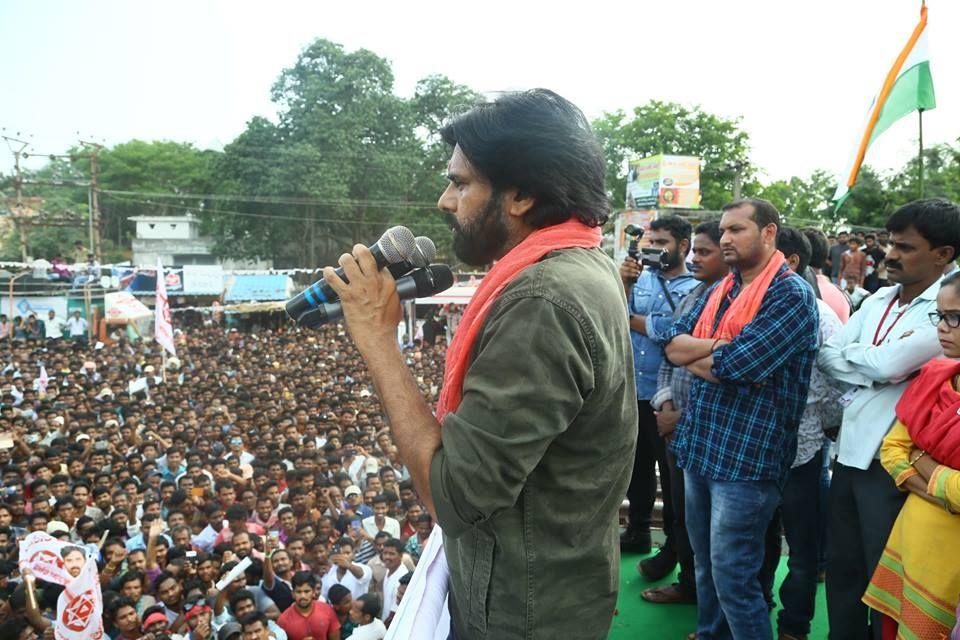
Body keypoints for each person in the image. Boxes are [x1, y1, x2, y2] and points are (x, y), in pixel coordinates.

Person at [321, 89, 636, 637]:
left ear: (520, 195)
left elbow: (454, 497)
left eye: (461, 183)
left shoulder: (543, 300)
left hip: (523, 611)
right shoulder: (583, 261)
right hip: (552, 586)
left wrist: (378, 341)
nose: (445, 200)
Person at [662, 198, 819, 638]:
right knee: (706, 566)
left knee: (735, 577)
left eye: (737, 230)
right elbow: (673, 345)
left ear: (769, 233)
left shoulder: (790, 295)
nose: (726, 239)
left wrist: (708, 349)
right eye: (724, 231)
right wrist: (717, 346)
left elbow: (739, 367)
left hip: (747, 460)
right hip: (701, 446)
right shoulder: (721, 288)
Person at [819, 198, 960, 640]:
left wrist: (871, 365)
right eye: (891, 244)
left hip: (896, 468)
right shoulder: (877, 297)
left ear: (943, 255)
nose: (891, 255)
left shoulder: (946, 312)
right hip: (849, 452)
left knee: (889, 584)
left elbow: (884, 366)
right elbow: (829, 356)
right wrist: (878, 368)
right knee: (842, 569)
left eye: (906, 246)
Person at [861, 272, 960, 639]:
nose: (943, 328)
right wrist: (944, 488)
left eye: (956, 317)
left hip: (950, 562)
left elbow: (910, 454)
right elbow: (893, 450)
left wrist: (922, 460)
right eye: (940, 315)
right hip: (911, 542)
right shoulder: (937, 378)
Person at [644, 220, 729, 606]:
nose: (695, 258)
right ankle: (691, 586)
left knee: (719, 530)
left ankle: (713, 601)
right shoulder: (693, 296)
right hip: (674, 424)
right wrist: (664, 404)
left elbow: (726, 368)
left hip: (706, 430)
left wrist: (682, 415)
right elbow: (669, 355)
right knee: (682, 515)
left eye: (705, 251)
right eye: (694, 251)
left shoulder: (737, 301)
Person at [771, 228, 844, 640]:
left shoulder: (820, 313)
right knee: (759, 545)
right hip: (756, 451)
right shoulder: (743, 305)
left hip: (802, 450)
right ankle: (753, 613)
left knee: (801, 552)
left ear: (791, 261)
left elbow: (836, 385)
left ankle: (793, 628)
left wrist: (822, 426)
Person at [620, 215, 699, 576]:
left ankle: (672, 545)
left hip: (665, 394)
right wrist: (623, 283)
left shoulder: (695, 285)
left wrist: (633, 320)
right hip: (632, 387)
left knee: (670, 476)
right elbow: (615, 312)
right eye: (649, 242)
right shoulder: (643, 278)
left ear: (683, 246)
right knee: (635, 467)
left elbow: (672, 332)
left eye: (661, 242)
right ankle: (636, 530)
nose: (652, 249)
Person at [276, 572, 340, 640]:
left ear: (313, 592)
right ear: (293, 594)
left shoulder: (327, 610)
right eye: (298, 592)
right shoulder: (283, 620)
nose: (303, 596)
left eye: (306, 591)